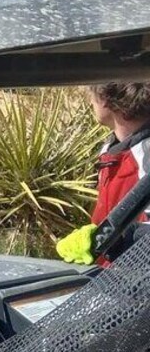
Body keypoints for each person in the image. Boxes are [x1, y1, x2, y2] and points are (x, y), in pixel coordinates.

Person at [57, 82, 150, 266]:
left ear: (106, 98)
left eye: (91, 94)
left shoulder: (145, 153)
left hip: (137, 286)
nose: (90, 101)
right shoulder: (114, 149)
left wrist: (110, 241)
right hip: (112, 281)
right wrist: (97, 236)